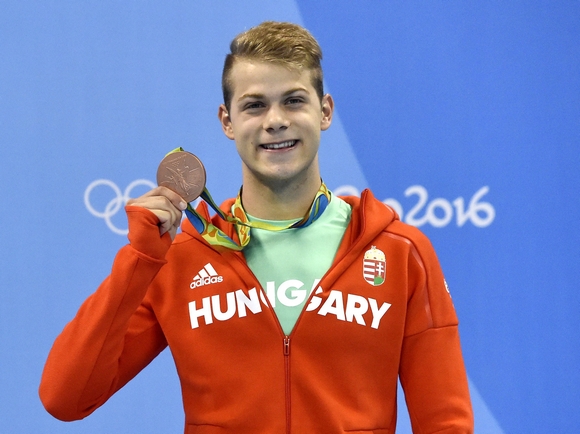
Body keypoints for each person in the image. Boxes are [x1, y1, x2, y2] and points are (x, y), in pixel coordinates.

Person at [39, 21, 474, 433]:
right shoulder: (183, 257)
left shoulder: (399, 252)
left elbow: (446, 424)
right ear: (227, 121)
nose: (275, 120)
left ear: (325, 111)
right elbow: (66, 397)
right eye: (254, 105)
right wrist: (140, 259)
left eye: (294, 100)